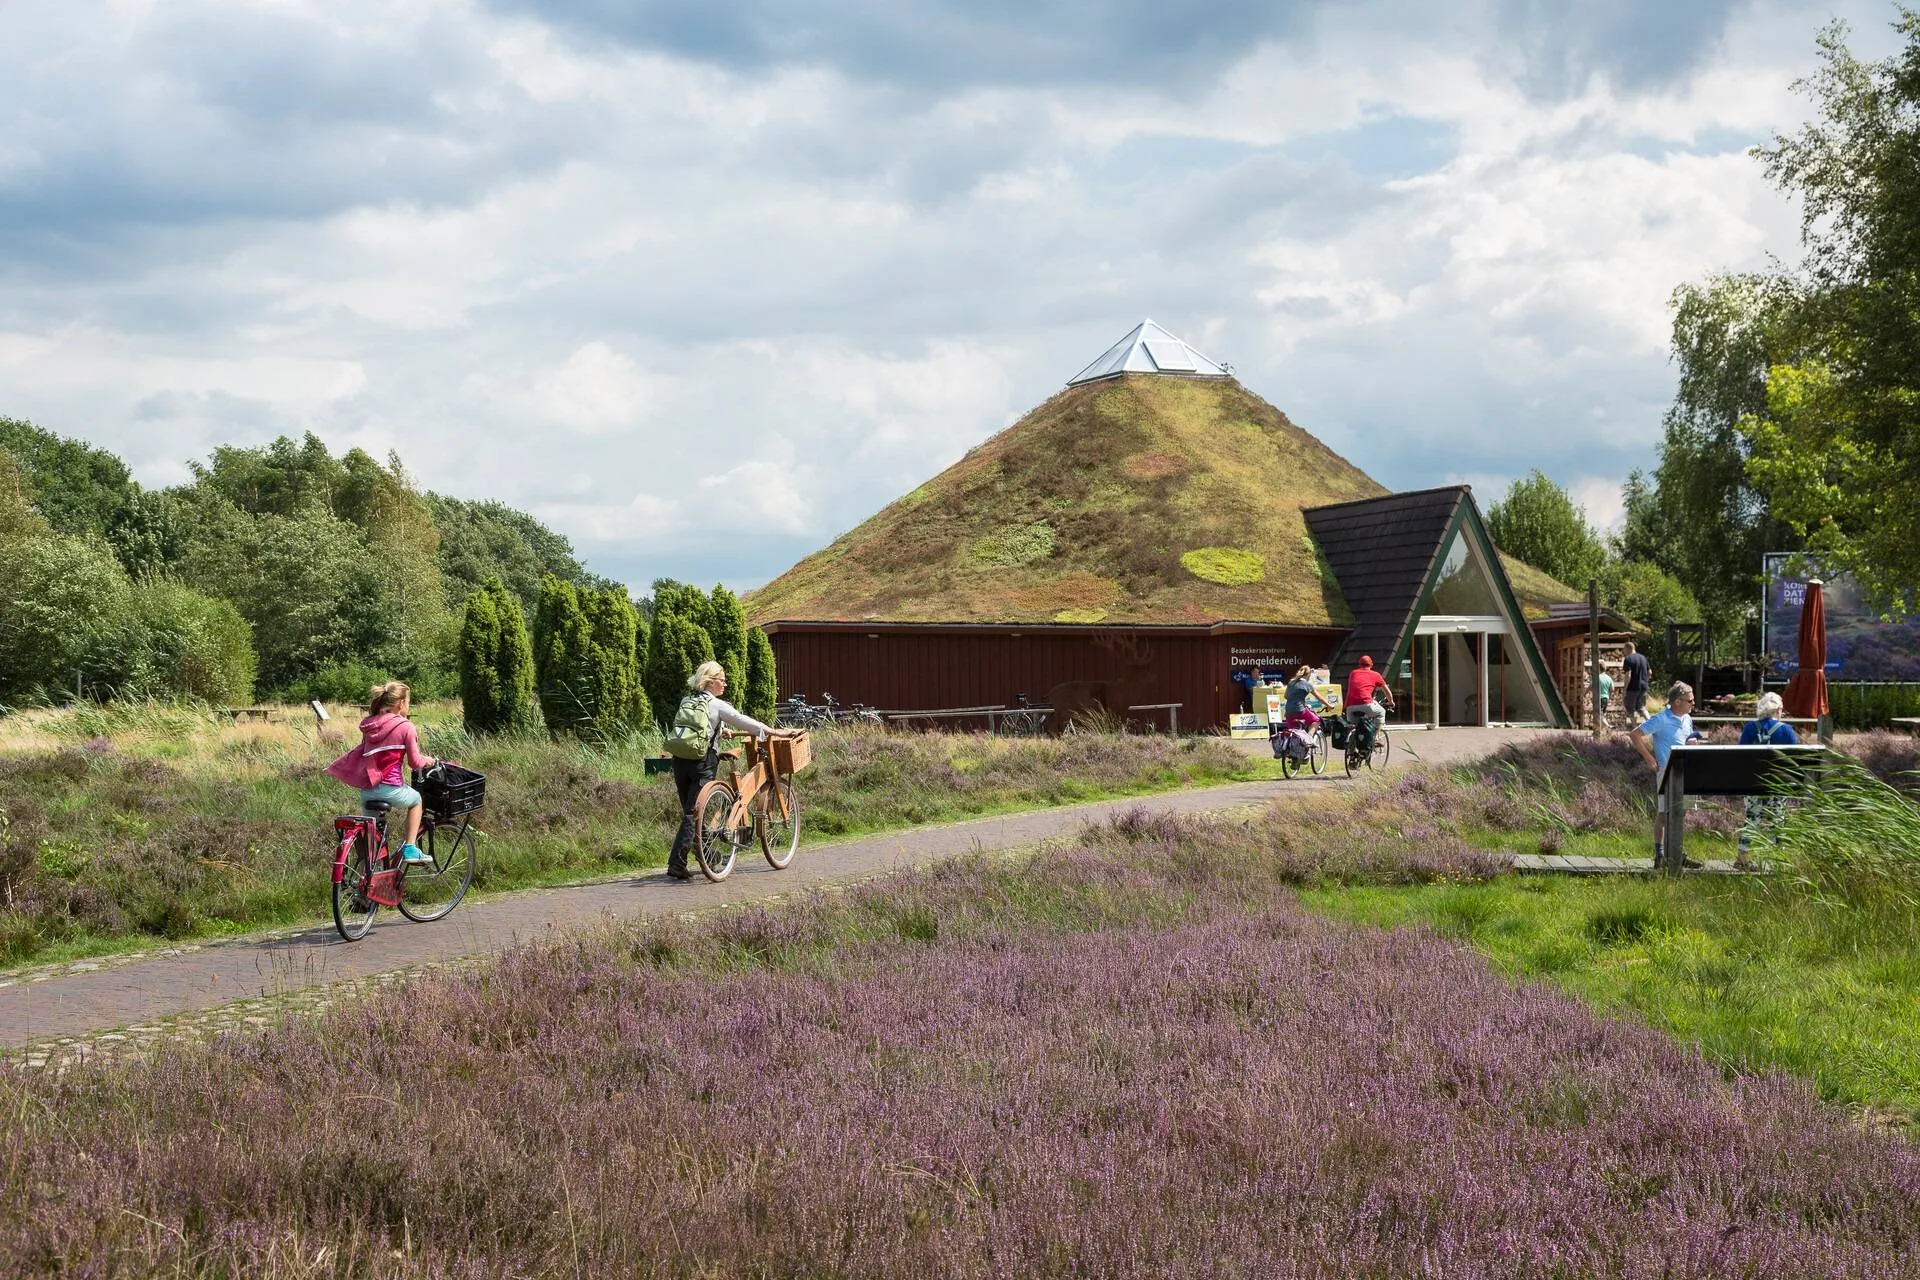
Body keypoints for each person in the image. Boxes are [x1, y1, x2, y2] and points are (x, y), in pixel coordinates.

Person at [666, 661, 778, 881]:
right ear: (710, 681)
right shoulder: (717, 704)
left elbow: (694, 729)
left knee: (691, 812)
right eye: (722, 680)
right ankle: (676, 863)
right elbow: (741, 720)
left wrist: (721, 730)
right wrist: (768, 731)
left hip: (680, 760)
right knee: (693, 813)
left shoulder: (686, 700)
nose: (725, 684)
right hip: (702, 762)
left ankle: (707, 854)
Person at [325, 681, 437, 864]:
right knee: (416, 800)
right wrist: (428, 760)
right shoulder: (405, 726)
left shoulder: (370, 726)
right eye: (408, 702)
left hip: (367, 790)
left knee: (371, 841)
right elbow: (415, 762)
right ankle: (410, 847)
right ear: (400, 703)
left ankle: (364, 882)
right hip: (390, 789)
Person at [1630, 681, 1703, 866]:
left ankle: (1676, 854)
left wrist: (1691, 744)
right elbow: (1635, 735)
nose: (1693, 704)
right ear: (1677, 701)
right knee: (1665, 814)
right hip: (1667, 771)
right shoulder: (1661, 719)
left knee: (1681, 813)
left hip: (1686, 770)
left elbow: (1686, 738)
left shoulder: (1687, 719)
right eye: (1690, 701)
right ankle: (1659, 855)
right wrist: (1649, 759)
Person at [1736, 691, 1799, 867]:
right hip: (1777, 785)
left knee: (1752, 818)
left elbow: (1739, 756)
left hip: (1753, 784)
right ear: (1778, 709)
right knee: (1777, 819)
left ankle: (1742, 857)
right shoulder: (1786, 730)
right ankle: (1777, 860)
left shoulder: (1749, 728)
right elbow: (1795, 760)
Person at [1343, 655, 1395, 751]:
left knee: (1354, 728)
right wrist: (1391, 702)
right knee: (1381, 712)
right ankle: (1375, 738)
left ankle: (1352, 755)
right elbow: (1386, 691)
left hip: (1350, 707)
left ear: (1359, 665)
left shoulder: (1353, 673)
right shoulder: (1375, 675)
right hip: (1366, 704)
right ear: (1371, 665)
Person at [1621, 641, 1651, 724]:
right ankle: (1651, 724)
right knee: (1641, 707)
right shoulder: (1643, 658)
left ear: (1628, 649)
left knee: (1630, 709)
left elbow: (1628, 674)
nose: (1623, 652)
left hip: (1632, 688)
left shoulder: (1628, 659)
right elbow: (1650, 672)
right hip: (1643, 687)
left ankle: (1635, 728)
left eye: (1624, 650)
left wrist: (1625, 689)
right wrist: (1645, 682)